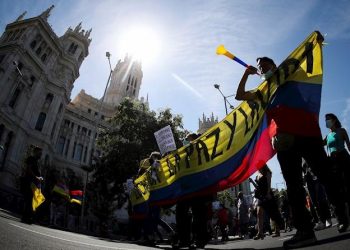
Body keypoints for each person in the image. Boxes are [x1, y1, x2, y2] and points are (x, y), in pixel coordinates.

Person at [236, 47, 348, 248]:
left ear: (274, 65)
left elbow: (301, 60)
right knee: (293, 186)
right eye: (260, 67)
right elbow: (240, 95)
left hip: (307, 132)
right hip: (284, 140)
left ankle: (342, 212)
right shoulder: (264, 92)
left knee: (325, 175)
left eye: (265, 65)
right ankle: (305, 231)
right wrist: (246, 73)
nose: (262, 69)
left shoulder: (290, 74)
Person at [324, 113, 350, 221]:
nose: (326, 121)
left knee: (347, 185)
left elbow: (348, 145)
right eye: (325, 120)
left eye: (328, 119)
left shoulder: (342, 131)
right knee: (339, 190)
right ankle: (344, 217)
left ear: (334, 120)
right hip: (333, 163)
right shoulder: (327, 136)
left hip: (344, 159)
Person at [250, 165, 282, 240]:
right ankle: (260, 233)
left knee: (273, 213)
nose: (257, 166)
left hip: (267, 195)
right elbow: (258, 187)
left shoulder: (267, 172)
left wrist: (268, 193)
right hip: (260, 196)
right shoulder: (258, 175)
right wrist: (252, 182)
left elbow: (269, 184)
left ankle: (277, 231)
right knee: (259, 213)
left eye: (258, 164)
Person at [21, 146, 43, 224]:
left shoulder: (36, 162)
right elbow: (28, 169)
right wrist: (36, 177)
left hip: (34, 183)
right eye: (39, 153)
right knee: (29, 199)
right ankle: (26, 217)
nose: (41, 155)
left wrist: (39, 178)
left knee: (32, 199)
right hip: (30, 182)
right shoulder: (31, 159)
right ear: (35, 152)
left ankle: (28, 216)